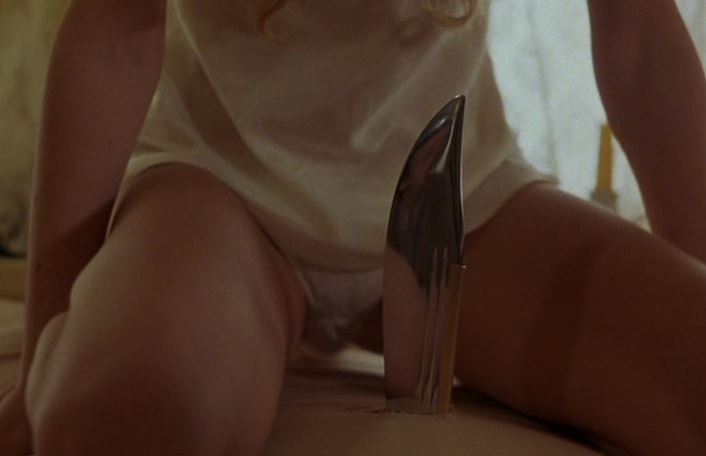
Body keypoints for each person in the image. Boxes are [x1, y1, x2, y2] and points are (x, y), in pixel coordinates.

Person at [1, 0, 705, 454]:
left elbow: (639, 37)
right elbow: (116, 30)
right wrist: (41, 363)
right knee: (122, 420)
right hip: (220, 190)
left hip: (458, 202)